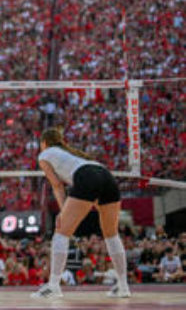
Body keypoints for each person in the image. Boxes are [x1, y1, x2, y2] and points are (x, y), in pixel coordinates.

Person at [32, 127, 130, 299]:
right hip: (106, 176)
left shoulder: (44, 155)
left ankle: (54, 286)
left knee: (61, 233)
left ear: (44, 143)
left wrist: (63, 212)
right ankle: (123, 286)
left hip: (87, 177)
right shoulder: (74, 154)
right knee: (111, 235)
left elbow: (57, 185)